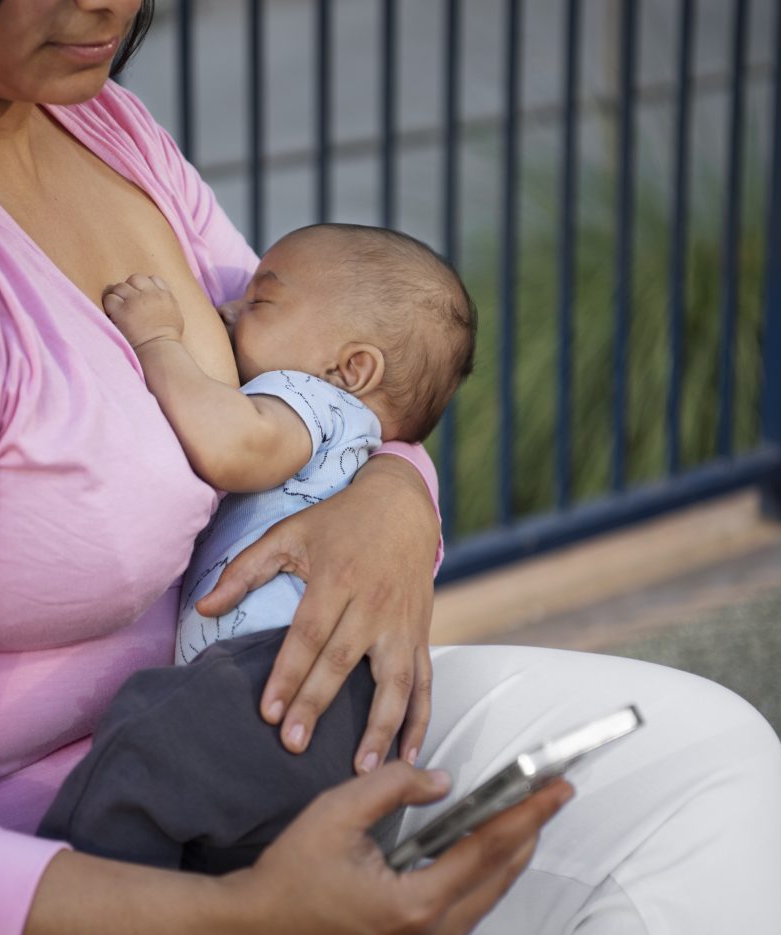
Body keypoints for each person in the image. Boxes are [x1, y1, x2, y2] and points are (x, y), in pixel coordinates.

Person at [0, 1, 781, 932]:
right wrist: (245, 917)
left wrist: (395, 498)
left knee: (692, 757)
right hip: (20, 871)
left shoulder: (95, 124)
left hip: (209, 768)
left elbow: (324, 392)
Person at [38, 223, 479, 870]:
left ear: (352, 367)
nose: (228, 310)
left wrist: (158, 339)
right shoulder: (356, 437)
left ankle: (83, 892)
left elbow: (231, 445)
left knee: (141, 743)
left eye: (261, 302)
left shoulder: (309, 399)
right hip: (334, 697)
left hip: (273, 668)